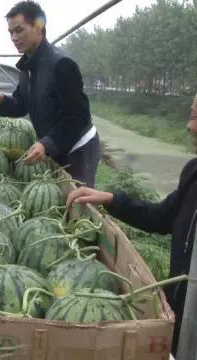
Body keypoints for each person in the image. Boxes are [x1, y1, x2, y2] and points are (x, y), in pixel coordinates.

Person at [67, 93, 197, 355]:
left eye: (195, 116)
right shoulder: (194, 172)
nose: (189, 126)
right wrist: (111, 200)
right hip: (181, 317)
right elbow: (163, 217)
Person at [0, 0, 100, 187]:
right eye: (10, 32)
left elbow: (77, 117)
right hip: (56, 145)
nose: (13, 37)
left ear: (39, 27)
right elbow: (21, 104)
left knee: (76, 203)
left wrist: (47, 144)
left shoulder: (62, 64)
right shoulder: (27, 65)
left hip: (78, 148)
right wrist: (2, 100)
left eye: (19, 30)